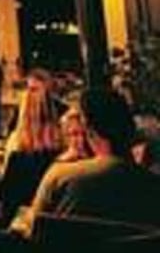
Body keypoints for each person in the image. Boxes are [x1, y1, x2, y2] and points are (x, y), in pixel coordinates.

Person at [21, 89, 160, 237]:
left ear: (89, 131)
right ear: (130, 129)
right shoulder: (153, 185)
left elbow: (28, 234)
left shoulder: (60, 176)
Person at [0, 70, 64, 220]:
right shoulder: (61, 156)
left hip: (26, 219)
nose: (28, 94)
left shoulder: (19, 158)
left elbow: (7, 204)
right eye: (28, 88)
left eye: (33, 89)